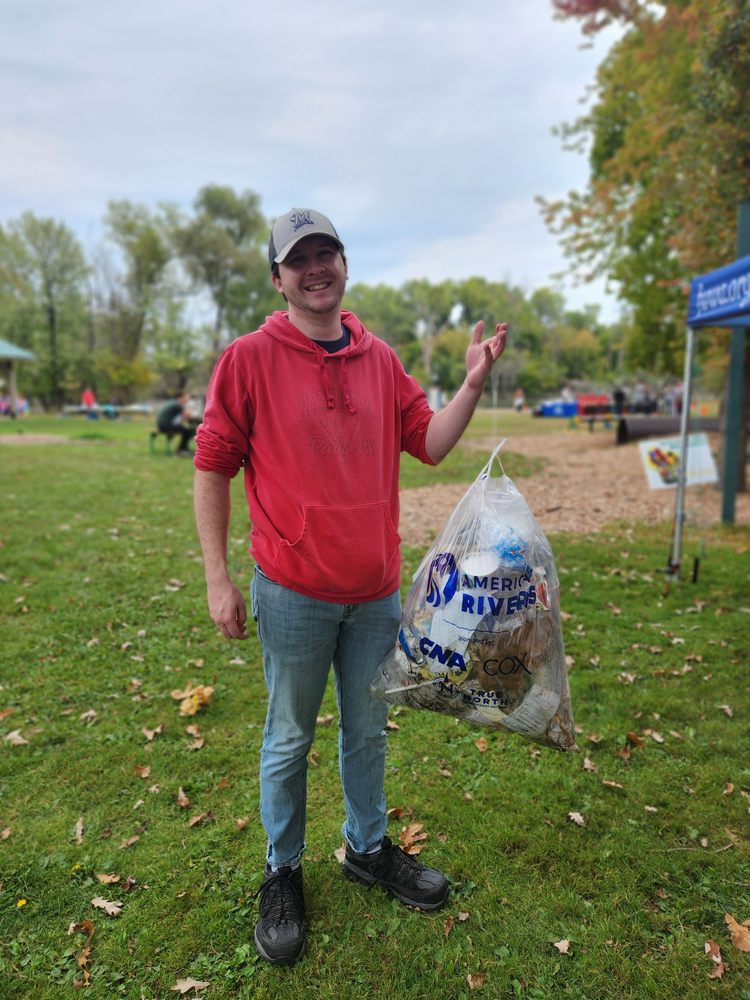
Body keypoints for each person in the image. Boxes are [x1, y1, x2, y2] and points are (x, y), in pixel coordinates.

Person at [192, 208, 506, 967]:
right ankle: (283, 871)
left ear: (343, 263)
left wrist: (471, 385)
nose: (315, 268)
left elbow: (429, 442)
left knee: (366, 731)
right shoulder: (248, 358)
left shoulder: (380, 359)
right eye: (298, 259)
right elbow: (212, 465)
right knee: (289, 737)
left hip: (374, 594)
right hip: (292, 590)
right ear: (279, 279)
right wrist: (217, 577)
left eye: (325, 252)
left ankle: (367, 850)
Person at [156, 391, 195, 455]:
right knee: (188, 431)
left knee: (187, 430)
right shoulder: (177, 405)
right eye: (186, 397)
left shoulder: (173, 402)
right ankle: (182, 450)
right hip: (165, 426)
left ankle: (183, 448)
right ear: (181, 397)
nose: (187, 399)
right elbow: (187, 417)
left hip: (162, 425)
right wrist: (189, 405)